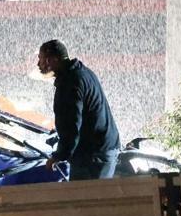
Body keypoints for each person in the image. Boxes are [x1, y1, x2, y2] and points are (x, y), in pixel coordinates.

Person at [37, 40, 120, 181]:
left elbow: (71, 126)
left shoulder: (70, 83)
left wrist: (59, 155)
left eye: (41, 59)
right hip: (103, 151)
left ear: (53, 60)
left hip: (93, 157)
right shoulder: (82, 73)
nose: (39, 64)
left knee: (84, 201)